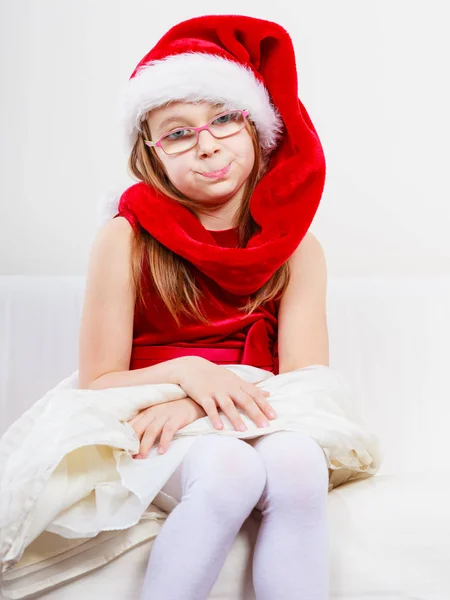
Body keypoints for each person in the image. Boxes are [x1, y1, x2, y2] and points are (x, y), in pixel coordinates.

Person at [78, 14, 330, 600]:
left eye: (223, 118)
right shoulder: (125, 237)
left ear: (258, 128)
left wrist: (204, 402)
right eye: (178, 131)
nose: (208, 143)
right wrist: (185, 376)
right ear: (151, 150)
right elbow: (96, 381)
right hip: (146, 416)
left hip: (260, 412)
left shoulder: (297, 250)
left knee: (298, 465)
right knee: (228, 472)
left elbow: (306, 384)